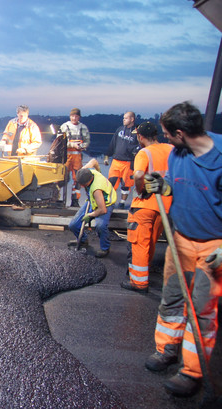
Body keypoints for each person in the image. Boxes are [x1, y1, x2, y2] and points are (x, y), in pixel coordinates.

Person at [143, 101, 222, 397]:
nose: (164, 140)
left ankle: (192, 370)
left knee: (202, 310)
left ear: (180, 132)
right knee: (172, 298)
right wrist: (161, 186)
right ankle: (166, 349)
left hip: (215, 246)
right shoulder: (178, 154)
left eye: (166, 134)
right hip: (181, 240)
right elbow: (176, 186)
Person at [120, 122, 173, 294]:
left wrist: (141, 188)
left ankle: (139, 282)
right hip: (164, 206)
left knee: (139, 243)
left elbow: (139, 174)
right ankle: (143, 273)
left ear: (140, 137)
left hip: (145, 205)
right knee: (151, 242)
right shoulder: (171, 149)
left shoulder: (144, 153)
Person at [67, 158, 117, 258]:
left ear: (87, 182)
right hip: (93, 201)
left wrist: (91, 215)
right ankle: (83, 240)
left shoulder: (96, 189)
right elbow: (94, 161)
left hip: (105, 204)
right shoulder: (85, 171)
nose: (81, 186)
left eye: (82, 185)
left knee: (101, 226)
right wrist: (99, 171)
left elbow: (102, 210)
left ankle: (105, 248)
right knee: (73, 224)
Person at [103, 111, 139, 209]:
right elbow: (112, 144)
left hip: (128, 163)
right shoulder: (119, 130)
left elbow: (140, 147)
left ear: (132, 119)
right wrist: (107, 155)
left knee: (125, 185)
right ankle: (109, 202)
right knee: (111, 183)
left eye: (126, 118)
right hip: (116, 161)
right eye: (123, 118)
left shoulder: (137, 132)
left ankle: (122, 203)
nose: (123, 120)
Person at [60, 108, 90, 207]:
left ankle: (75, 200)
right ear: (70, 116)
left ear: (79, 117)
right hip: (66, 157)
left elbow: (87, 141)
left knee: (78, 179)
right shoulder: (64, 126)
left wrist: (82, 146)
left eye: (76, 116)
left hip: (77, 158)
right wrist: (72, 145)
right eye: (72, 116)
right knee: (61, 178)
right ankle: (57, 199)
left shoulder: (83, 128)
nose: (74, 118)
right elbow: (59, 141)